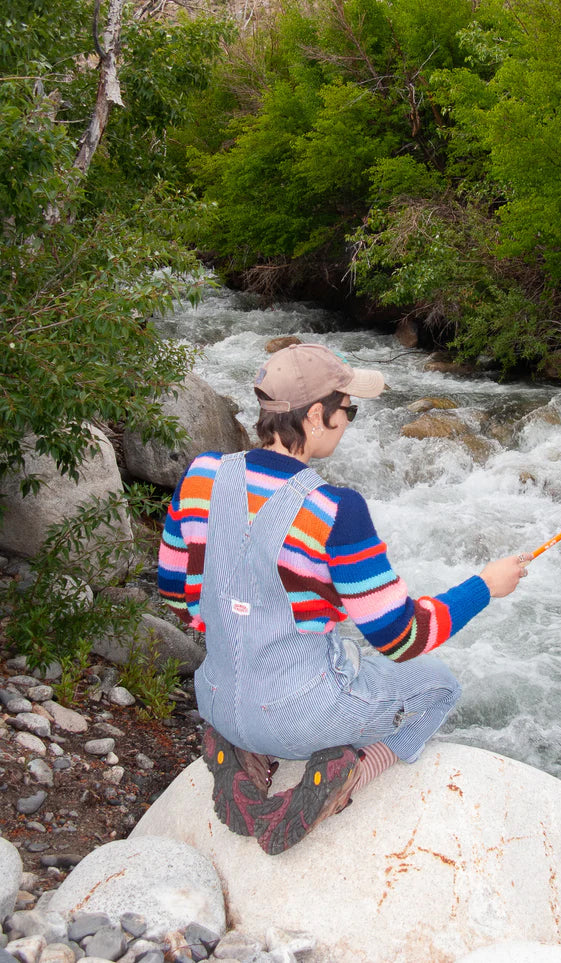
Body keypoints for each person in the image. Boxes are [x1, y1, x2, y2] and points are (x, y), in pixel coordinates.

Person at [158, 342, 530, 855]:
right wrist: (486, 586)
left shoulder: (200, 475)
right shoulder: (336, 510)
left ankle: (240, 748)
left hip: (217, 697)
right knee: (440, 689)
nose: (350, 419)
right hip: (299, 721)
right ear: (316, 416)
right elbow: (403, 639)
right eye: (348, 410)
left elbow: (177, 595)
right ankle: (347, 776)